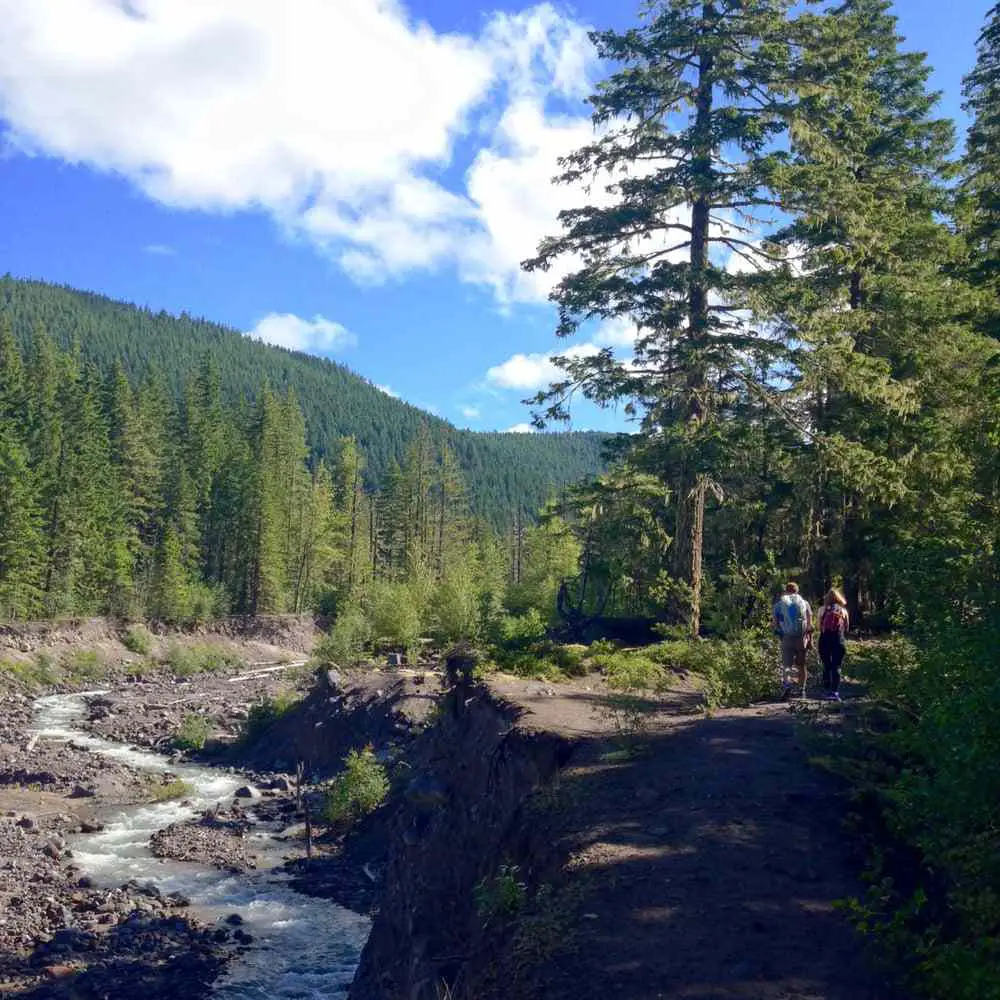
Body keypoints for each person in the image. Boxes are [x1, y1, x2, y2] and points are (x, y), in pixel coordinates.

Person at [773, 582, 813, 697]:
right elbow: (810, 625)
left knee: (787, 665)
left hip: (786, 638)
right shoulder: (804, 603)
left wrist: (780, 633)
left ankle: (787, 687)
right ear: (797, 591)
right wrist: (810, 639)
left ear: (786, 591)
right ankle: (802, 690)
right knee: (801, 665)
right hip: (801, 638)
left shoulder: (779, 605)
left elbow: (775, 624)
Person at [817, 588, 849, 701]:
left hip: (824, 640)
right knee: (837, 666)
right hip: (838, 640)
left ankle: (826, 689)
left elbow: (819, 627)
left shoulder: (822, 609)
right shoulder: (843, 611)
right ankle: (835, 692)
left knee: (826, 665)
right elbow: (846, 628)